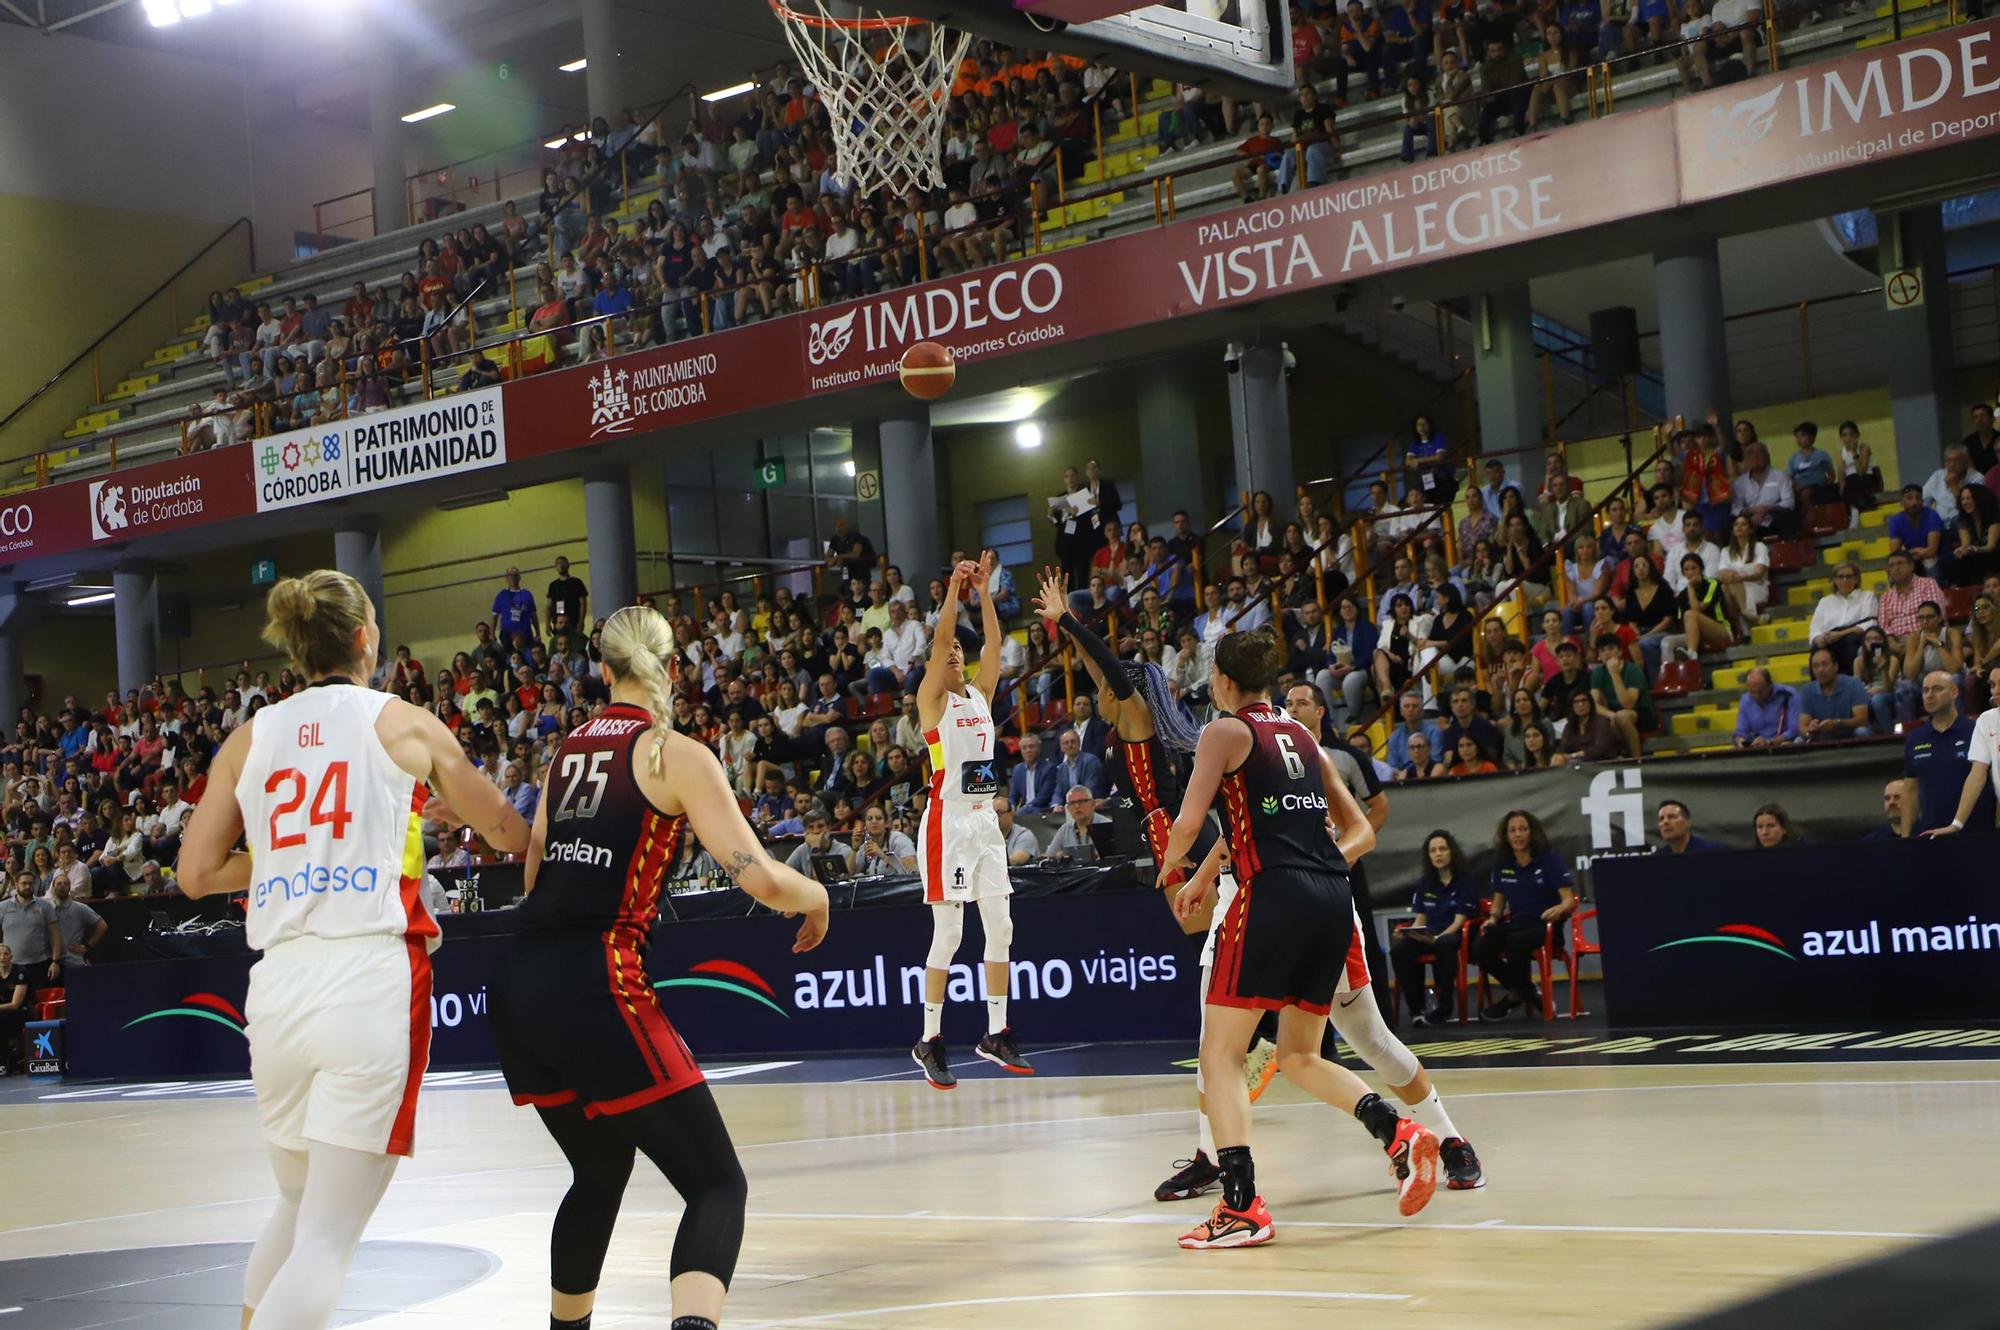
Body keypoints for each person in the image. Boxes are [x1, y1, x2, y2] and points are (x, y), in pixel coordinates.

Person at [176, 570, 532, 1330]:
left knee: (298, 1207)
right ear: (366, 637)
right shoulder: (404, 724)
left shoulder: (250, 737)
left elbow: (196, 872)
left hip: (277, 990)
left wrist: (287, 859)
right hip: (367, 979)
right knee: (328, 1240)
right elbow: (506, 829)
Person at [488, 604, 829, 1330]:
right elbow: (762, 879)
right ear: (671, 669)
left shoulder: (568, 751)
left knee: (600, 1170)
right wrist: (819, 894)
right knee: (716, 1186)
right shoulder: (671, 752)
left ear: (603, 671)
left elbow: (534, 870)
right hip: (595, 980)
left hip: (518, 986)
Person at [1161, 630, 1439, 1248]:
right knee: (1299, 1057)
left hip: (1273, 898)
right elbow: (1322, 824)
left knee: (1221, 1054)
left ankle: (1241, 1206)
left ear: (1223, 683)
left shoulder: (1225, 732)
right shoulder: (1303, 738)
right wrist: (1208, 870)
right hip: (1332, 897)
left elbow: (1187, 820)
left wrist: (1170, 864)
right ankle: (1401, 1132)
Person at [911, 552, 1033, 1088]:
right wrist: (953, 589)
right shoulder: (931, 700)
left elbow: (994, 646)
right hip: (947, 822)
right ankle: (929, 1039)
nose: (956, 653)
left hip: (984, 821)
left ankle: (995, 1032)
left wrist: (984, 592)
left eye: (961, 650)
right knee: (950, 932)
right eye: (948, 651)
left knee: (1002, 926)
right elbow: (941, 643)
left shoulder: (981, 694)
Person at [1035, 567, 1203, 890]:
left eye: (1104, 686)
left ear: (1116, 690)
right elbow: (1090, 658)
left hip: (1168, 824)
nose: (1097, 690)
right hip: (1154, 827)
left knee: (1195, 927)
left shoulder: (1138, 720)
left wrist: (1068, 621)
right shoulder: (1121, 722)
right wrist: (1065, 617)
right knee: (1187, 925)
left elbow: (1106, 662)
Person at [1475, 810, 1577, 1020]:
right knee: (1480, 947)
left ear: (1532, 833)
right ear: (1506, 836)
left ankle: (1515, 996)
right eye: (1512, 830)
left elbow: (1568, 899)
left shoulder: (1549, 859)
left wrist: (1558, 909)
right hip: (1516, 924)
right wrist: (1492, 919)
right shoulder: (1503, 863)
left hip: (1545, 926)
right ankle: (1526, 991)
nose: (1518, 834)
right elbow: (1498, 903)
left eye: (1523, 829)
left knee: (1515, 942)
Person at [1392, 831, 1477, 1027]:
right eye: (1433, 851)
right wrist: (1410, 932)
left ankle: (1444, 1007)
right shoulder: (1425, 884)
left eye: (1442, 849)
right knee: (1400, 950)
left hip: (1453, 936)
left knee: (1444, 945)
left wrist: (1438, 937)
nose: (1438, 854)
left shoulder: (1465, 881)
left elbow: (1459, 921)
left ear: (1451, 852)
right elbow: (1420, 919)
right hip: (1429, 935)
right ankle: (1417, 1010)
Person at [1906, 668, 1997, 835]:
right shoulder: (1915, 738)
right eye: (1925, 690)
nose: (1929, 695)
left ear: (1955, 692)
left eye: (1937, 689)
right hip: (1931, 833)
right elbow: (1910, 790)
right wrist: (1905, 837)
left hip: (1978, 832)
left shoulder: (1976, 729)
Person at [1798, 647, 1873, 742]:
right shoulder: (1807, 690)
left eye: (1824, 664)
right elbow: (1802, 726)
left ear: (1835, 667)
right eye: (1815, 666)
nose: (1820, 670)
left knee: (1862, 731)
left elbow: (1862, 720)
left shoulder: (1853, 684)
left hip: (1851, 735)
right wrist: (1810, 730)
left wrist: (1837, 723)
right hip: (1821, 737)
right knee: (1799, 740)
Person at [1654, 799, 1723, 855]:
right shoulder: (1658, 857)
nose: (1665, 822)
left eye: (1672, 817)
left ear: (1688, 822)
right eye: (1661, 819)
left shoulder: (1711, 852)